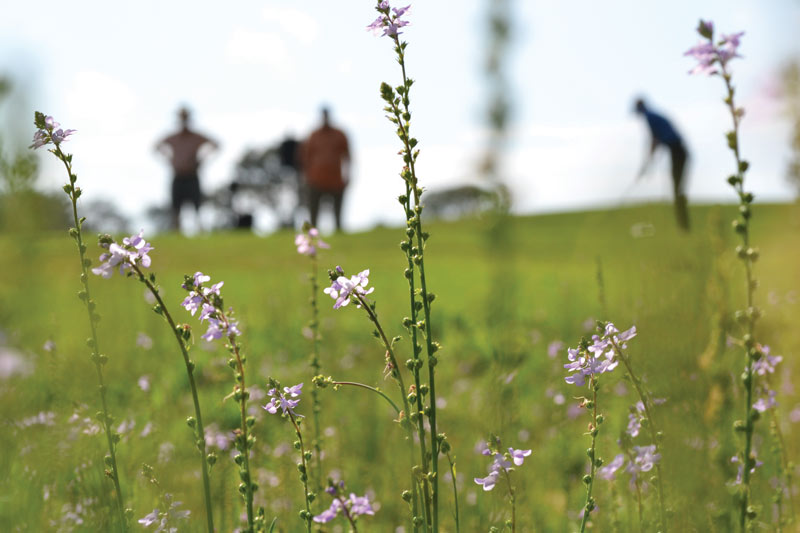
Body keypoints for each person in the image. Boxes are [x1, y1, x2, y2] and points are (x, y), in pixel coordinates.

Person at [155, 107, 219, 231]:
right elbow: (156, 146)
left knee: (197, 208)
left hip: (192, 176)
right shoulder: (173, 137)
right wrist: (169, 159)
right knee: (176, 209)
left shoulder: (196, 137)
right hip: (178, 176)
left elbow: (216, 144)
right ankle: (176, 234)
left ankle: (200, 234)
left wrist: (202, 159)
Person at [634, 98, 690, 231]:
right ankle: (682, 224)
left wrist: (647, 163)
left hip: (678, 151)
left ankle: (683, 225)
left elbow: (654, 140)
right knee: (676, 188)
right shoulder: (653, 115)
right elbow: (658, 139)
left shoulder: (649, 117)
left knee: (677, 188)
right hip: (678, 150)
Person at [300, 107, 351, 231]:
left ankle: (339, 233)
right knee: (313, 212)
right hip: (315, 179)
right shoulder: (314, 135)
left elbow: (347, 157)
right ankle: (313, 237)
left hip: (336, 180)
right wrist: (306, 177)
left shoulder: (339, 134)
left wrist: (347, 176)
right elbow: (305, 158)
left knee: (338, 213)